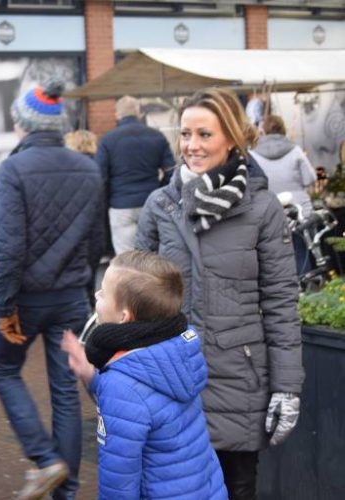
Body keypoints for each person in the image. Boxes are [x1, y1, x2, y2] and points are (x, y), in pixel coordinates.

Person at [136, 88, 304, 500]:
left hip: (238, 379)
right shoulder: (161, 205)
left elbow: (282, 302)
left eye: (204, 135)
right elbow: (134, 296)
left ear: (231, 137)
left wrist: (287, 386)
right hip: (171, 379)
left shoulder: (262, 209)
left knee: (237, 489)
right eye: (185, 134)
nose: (191, 145)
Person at [0, 77, 105, 500]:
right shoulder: (89, 168)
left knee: (2, 369)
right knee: (65, 394)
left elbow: (10, 247)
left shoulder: (13, 169)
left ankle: (44, 459)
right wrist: (83, 288)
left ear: (22, 124)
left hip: (27, 299)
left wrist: (4, 307)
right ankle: (66, 492)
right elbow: (96, 243)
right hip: (71, 295)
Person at [61, 250, 227, 500]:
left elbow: (118, 483)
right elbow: (147, 404)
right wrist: (91, 376)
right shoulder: (176, 349)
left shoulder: (122, 387)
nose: (97, 295)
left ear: (124, 317)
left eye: (104, 293)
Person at [94, 95, 175, 254]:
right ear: (139, 112)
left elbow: (100, 177)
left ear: (117, 114)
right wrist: (160, 190)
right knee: (153, 255)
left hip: (121, 205)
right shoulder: (156, 136)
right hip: (151, 202)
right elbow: (171, 171)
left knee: (126, 259)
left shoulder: (107, 140)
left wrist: (108, 201)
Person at [250, 115, 317, 275]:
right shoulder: (295, 150)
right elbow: (310, 178)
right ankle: (308, 292)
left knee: (276, 258)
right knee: (303, 251)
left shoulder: (253, 155)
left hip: (271, 212)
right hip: (300, 210)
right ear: (283, 128)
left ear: (263, 131)